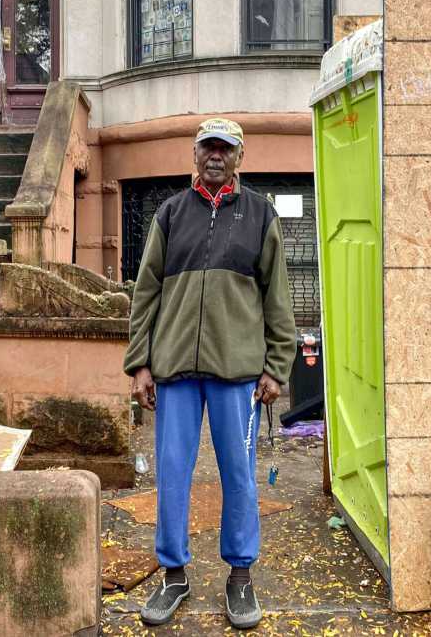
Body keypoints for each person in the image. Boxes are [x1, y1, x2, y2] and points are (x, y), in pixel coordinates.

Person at [123, 117, 296, 630]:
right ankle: (173, 574)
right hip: (174, 367)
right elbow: (146, 290)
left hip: (237, 371)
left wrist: (276, 367)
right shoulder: (170, 214)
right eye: (207, 148)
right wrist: (140, 362)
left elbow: (277, 298)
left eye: (225, 148)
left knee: (239, 476)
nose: (215, 156)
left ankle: (240, 577)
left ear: (239, 157)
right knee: (171, 473)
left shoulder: (260, 215)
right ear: (194, 155)